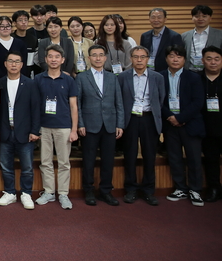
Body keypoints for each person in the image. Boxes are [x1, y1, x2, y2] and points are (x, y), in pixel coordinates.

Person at [76, 44, 124, 206]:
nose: (97, 58)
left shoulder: (113, 77)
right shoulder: (82, 77)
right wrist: (80, 124)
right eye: (94, 55)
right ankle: (88, 190)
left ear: (105, 58)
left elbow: (119, 103)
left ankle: (105, 191)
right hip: (89, 125)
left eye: (101, 55)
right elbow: (78, 104)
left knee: (108, 160)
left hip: (110, 125)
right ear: (89, 58)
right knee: (88, 159)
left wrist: (120, 124)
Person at [118, 46, 165, 206]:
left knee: (150, 156)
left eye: (143, 57)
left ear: (148, 59)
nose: (139, 60)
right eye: (136, 57)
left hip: (149, 118)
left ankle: (148, 190)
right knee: (130, 155)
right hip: (130, 119)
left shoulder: (157, 77)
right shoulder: (123, 76)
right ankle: (130, 189)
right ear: (131, 59)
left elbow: (161, 98)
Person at [34, 45, 79, 210]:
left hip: (63, 126)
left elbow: (74, 106)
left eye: (56, 57)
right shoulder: (38, 79)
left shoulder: (69, 80)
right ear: (45, 59)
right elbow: (34, 104)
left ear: (63, 60)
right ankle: (49, 192)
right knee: (45, 161)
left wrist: (74, 130)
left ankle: (63, 194)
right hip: (44, 126)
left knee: (64, 162)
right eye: (50, 56)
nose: (53, 59)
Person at [0, 52, 40, 209]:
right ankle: (10, 193)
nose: (13, 64)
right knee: (6, 166)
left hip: (25, 132)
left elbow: (36, 109)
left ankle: (26, 193)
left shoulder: (30, 84)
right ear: (5, 64)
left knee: (27, 167)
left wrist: (35, 130)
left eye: (17, 62)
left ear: (22, 65)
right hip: (5, 131)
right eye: (10, 61)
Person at [161, 45, 205, 207]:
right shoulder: (160, 77)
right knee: (174, 157)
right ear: (166, 58)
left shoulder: (193, 78)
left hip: (190, 123)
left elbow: (198, 102)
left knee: (193, 158)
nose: (175, 59)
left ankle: (195, 189)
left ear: (184, 59)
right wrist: (170, 117)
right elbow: (158, 100)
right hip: (170, 123)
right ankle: (180, 187)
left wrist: (181, 117)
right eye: (171, 56)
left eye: (178, 57)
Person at [200, 46, 222, 202]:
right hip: (206, 128)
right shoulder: (196, 78)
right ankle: (214, 187)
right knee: (211, 160)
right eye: (209, 59)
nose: (213, 62)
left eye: (216, 59)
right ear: (202, 61)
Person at [182, 5, 222, 71]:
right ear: (192, 18)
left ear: (210, 18)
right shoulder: (185, 36)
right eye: (197, 16)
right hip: (190, 72)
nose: (200, 19)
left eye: (204, 16)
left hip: (213, 72)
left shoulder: (220, 34)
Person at [12, 10, 39, 76]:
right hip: (13, 72)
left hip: (29, 73)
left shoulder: (33, 39)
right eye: (20, 20)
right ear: (15, 23)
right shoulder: (11, 38)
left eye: (26, 20)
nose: (23, 22)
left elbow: (35, 59)